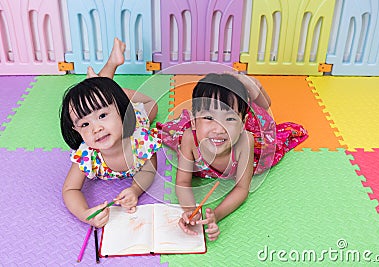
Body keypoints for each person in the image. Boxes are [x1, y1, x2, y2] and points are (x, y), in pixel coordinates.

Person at [157, 73, 308, 241]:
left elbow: (242, 189)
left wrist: (216, 215)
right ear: (193, 122)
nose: (219, 129)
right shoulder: (189, 138)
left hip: (251, 127)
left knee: (266, 116)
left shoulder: (246, 141)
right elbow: (183, 183)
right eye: (208, 117)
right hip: (218, 124)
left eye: (229, 118)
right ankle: (239, 97)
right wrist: (190, 212)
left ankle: (251, 86)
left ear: (242, 123)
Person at [60, 38, 161, 228]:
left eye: (103, 116)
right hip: (116, 107)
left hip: (134, 118)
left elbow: (149, 170)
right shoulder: (87, 154)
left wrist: (135, 190)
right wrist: (84, 214)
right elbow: (70, 189)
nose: (95, 128)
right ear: (76, 130)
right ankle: (105, 82)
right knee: (102, 99)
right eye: (84, 124)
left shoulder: (140, 141)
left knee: (152, 106)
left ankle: (112, 87)